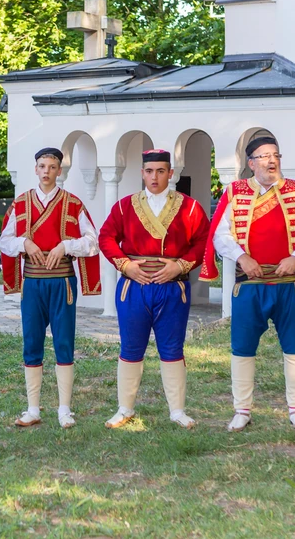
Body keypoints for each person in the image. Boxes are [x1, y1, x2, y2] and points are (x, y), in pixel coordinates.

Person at [201, 136, 295, 432]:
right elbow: (220, 234)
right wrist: (241, 257)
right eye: (264, 156)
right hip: (249, 285)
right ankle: (242, 410)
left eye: (275, 155)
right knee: (242, 347)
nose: (271, 161)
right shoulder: (234, 192)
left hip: (289, 284)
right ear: (251, 163)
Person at [97, 149, 209, 429]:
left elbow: (203, 241)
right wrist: (125, 265)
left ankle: (177, 411)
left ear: (170, 173)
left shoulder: (190, 208)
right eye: (149, 171)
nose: (154, 177)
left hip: (172, 287)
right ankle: (125, 409)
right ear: (142, 173)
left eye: (160, 171)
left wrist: (180, 266)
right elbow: (106, 237)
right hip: (134, 287)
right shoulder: (124, 206)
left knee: (172, 347)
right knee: (131, 346)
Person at [0, 147, 101, 429]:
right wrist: (24, 243)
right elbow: (5, 241)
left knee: (64, 342)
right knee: (31, 341)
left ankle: (64, 409)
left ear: (59, 170)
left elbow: (92, 242)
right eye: (42, 166)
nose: (46, 171)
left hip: (62, 281)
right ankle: (33, 408)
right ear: (35, 169)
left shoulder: (73, 203)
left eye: (52, 167)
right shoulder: (21, 203)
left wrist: (65, 246)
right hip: (32, 282)